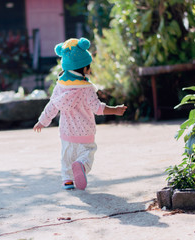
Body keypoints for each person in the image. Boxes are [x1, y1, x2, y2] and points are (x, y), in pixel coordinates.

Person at [33, 37, 127, 190]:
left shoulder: (60, 86)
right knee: (88, 152)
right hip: (86, 132)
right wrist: (115, 110)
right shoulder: (87, 88)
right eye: (88, 67)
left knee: (66, 157)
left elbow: (52, 105)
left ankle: (67, 180)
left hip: (66, 132)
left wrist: (42, 121)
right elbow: (97, 108)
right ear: (84, 69)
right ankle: (82, 165)